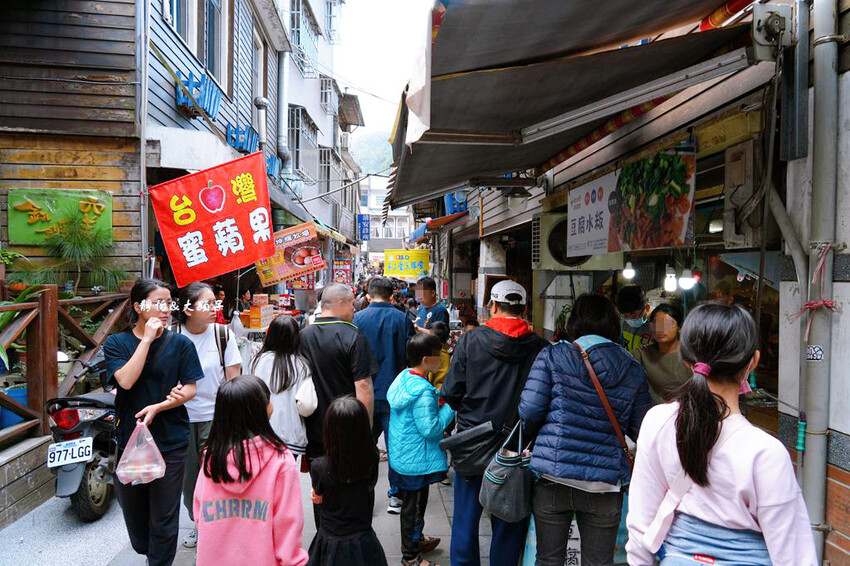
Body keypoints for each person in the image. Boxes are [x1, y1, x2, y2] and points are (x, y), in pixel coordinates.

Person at [626, 303, 817, 565]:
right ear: (753, 361)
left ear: (687, 360)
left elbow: (641, 525)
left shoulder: (657, 422)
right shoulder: (766, 453)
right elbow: (794, 557)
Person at [519, 294, 652, 566]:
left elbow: (529, 411)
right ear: (614, 325)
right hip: (605, 483)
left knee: (548, 560)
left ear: (575, 322)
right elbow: (643, 429)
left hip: (554, 475)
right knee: (598, 563)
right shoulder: (632, 368)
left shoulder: (553, 356)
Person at [442, 279, 549, 566]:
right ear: (524, 309)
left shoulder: (470, 340)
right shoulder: (540, 347)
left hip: (472, 444)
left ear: (492, 306)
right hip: (518, 446)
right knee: (509, 519)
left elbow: (451, 393)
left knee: (465, 519)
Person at [103, 279, 205, 566]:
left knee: (164, 516)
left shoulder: (181, 344)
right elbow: (125, 381)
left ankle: (158, 561)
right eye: (159, 302)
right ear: (138, 307)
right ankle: (149, 553)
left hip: (171, 440)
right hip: (129, 441)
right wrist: (146, 340)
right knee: (136, 518)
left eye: (169, 302)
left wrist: (161, 406)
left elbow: (191, 388)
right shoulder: (116, 343)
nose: (166, 308)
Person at [193, 375, 308, 566]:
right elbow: (288, 526)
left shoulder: (212, 458)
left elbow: (199, 514)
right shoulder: (280, 461)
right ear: (261, 410)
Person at [174, 282, 242, 549]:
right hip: (179, 418)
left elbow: (233, 379)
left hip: (215, 417)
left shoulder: (222, 335)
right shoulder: (171, 335)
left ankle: (217, 526)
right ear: (188, 309)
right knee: (188, 480)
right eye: (208, 304)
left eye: (216, 303)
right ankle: (198, 522)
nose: (215, 308)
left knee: (217, 474)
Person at [386, 333, 454, 566]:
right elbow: (431, 429)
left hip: (404, 455)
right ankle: (410, 557)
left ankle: (416, 540)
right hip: (416, 461)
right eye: (438, 356)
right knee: (414, 510)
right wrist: (451, 407)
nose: (441, 360)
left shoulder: (405, 376)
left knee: (412, 506)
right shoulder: (423, 391)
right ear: (426, 360)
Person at [353, 276, 415, 514]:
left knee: (363, 446)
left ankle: (362, 494)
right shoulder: (402, 318)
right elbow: (409, 354)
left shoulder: (357, 318)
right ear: (391, 295)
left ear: (369, 294)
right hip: (394, 393)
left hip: (365, 393)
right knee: (395, 446)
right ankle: (396, 496)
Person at [299, 283, 376, 465]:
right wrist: (366, 427)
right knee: (347, 475)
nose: (354, 309)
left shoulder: (304, 335)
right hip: (347, 425)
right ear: (340, 303)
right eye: (351, 303)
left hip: (313, 426)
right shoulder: (354, 337)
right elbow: (363, 385)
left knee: (319, 476)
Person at [308, 396, 388, 566]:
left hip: (331, 538)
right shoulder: (372, 459)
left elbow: (319, 496)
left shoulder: (319, 466)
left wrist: (315, 493)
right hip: (362, 538)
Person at [251, 315, 318, 457]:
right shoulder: (301, 366)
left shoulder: (257, 362)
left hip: (260, 432)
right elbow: (307, 406)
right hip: (290, 435)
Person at [634, 304, 691, 404]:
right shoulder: (642, 354)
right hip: (656, 411)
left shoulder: (692, 354)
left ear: (679, 327)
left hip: (689, 409)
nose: (660, 329)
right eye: (655, 324)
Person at [617, 285, 654, 355]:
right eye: (625, 316)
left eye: (634, 315)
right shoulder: (623, 322)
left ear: (647, 307)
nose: (630, 319)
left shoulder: (657, 326)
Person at [427, 321, 451, 391]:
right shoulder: (443, 352)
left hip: (437, 391)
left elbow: (432, 377)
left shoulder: (439, 354)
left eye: (430, 334)